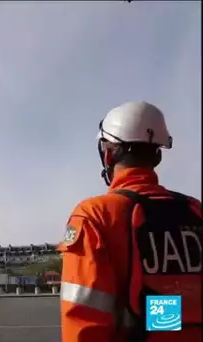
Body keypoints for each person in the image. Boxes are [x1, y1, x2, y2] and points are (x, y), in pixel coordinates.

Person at [58, 101, 202, 342]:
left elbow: (85, 321)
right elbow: (172, 307)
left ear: (108, 153)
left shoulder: (95, 215)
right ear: (157, 155)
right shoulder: (195, 210)